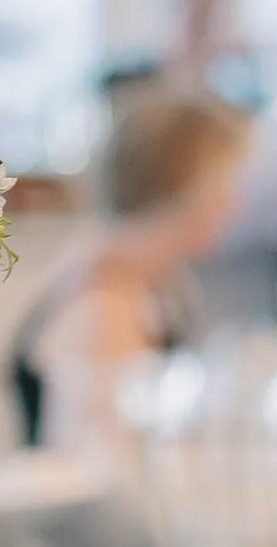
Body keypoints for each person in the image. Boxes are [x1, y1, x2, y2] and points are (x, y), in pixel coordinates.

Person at [13, 81, 250, 450]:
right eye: (226, 186)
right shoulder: (103, 306)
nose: (235, 205)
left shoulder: (157, 280)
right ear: (187, 189)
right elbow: (95, 460)